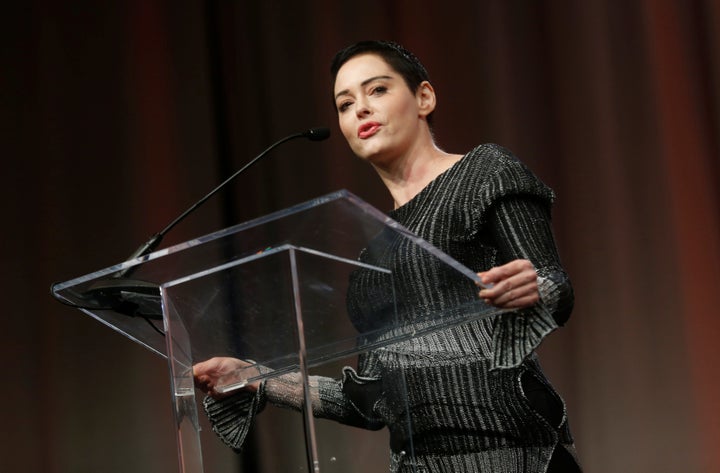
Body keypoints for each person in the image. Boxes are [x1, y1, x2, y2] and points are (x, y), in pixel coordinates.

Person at [194, 40, 581, 472]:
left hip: (515, 453)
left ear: (424, 98)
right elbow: (367, 400)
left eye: (377, 90)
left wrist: (536, 286)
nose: (360, 109)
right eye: (345, 103)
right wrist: (255, 379)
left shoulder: (484, 171)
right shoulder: (371, 259)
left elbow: (555, 284)